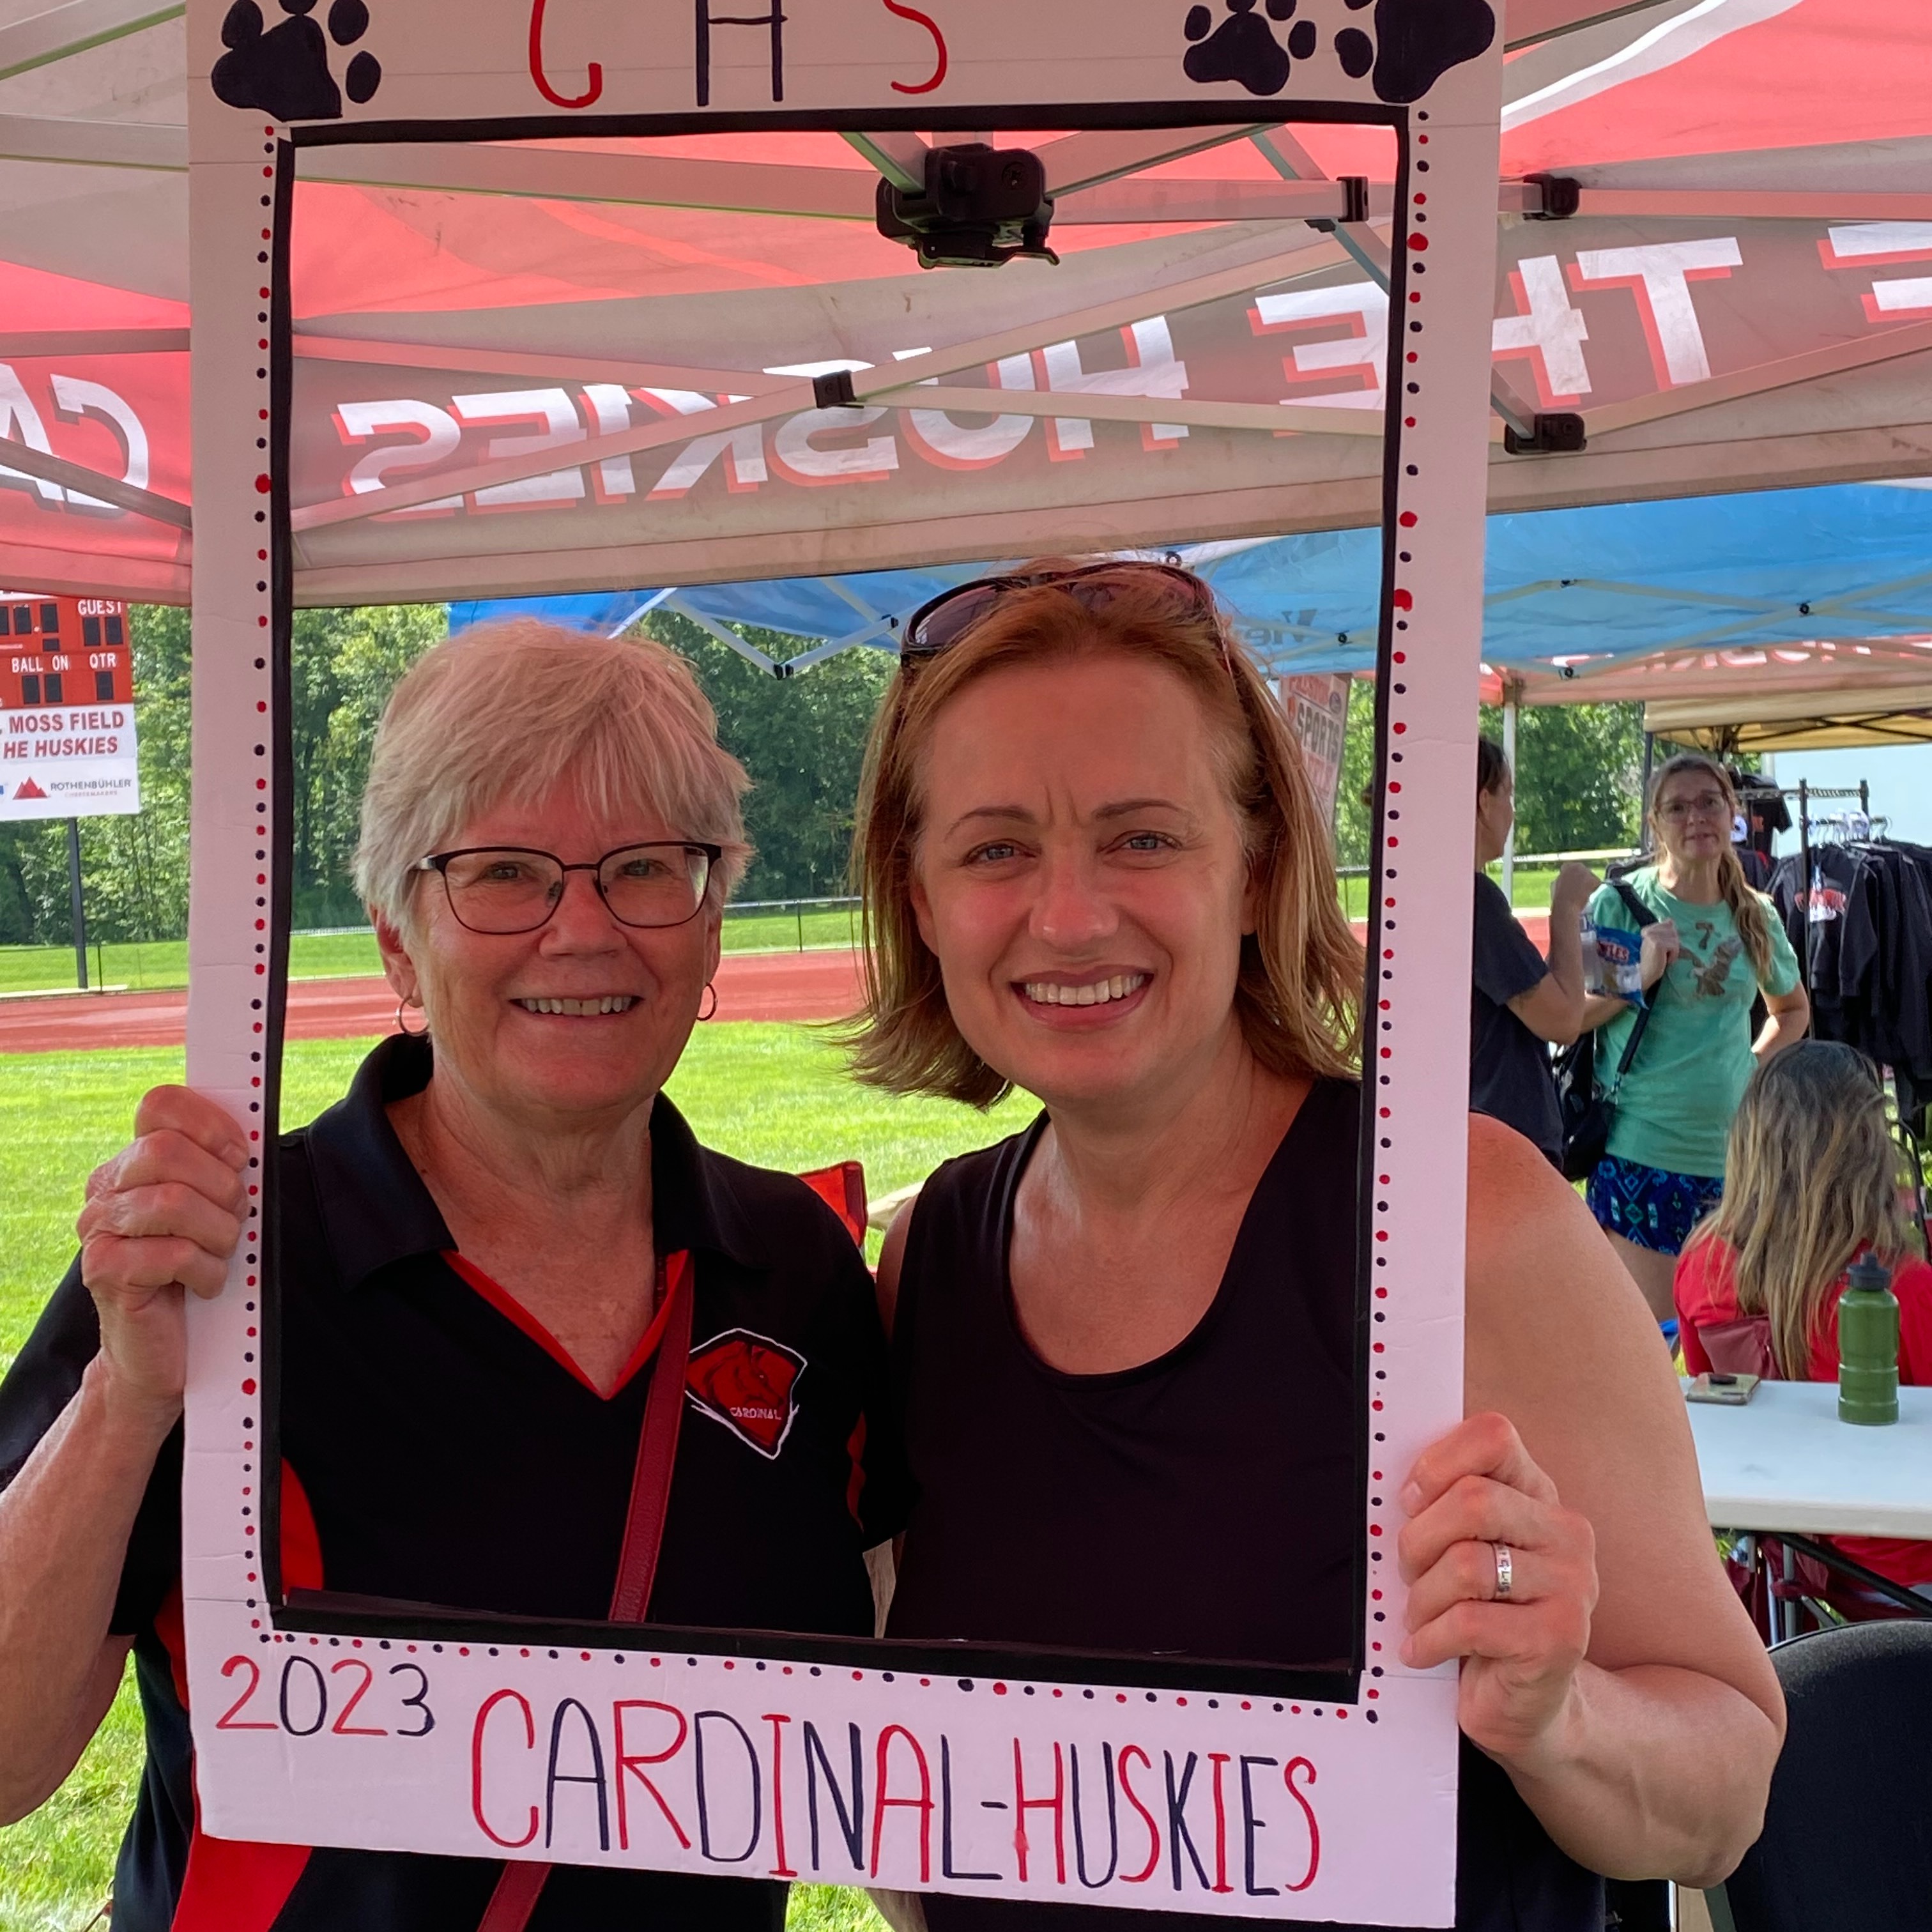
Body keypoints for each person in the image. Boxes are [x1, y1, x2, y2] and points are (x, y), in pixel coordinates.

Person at [848, 561, 1783, 1931]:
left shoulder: (1463, 1217)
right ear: (921, 901)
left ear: (1257, 870)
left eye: (1142, 838)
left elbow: (1726, 1794)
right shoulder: (925, 1266)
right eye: (993, 848)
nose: (1067, 914)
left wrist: (1559, 1714)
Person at [0, 622, 907, 1932]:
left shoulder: (798, 1274)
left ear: (713, 923)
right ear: (396, 944)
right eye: (503, 874)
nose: (583, 931)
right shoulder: (214, 1261)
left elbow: (890, 1734)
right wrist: (126, 1400)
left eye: (647, 868)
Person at [1676, 1040, 1932, 1597]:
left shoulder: (1703, 1267)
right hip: (1903, 1575)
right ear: (1870, 1149)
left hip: (1784, 1575)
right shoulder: (1902, 1288)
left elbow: (1713, 1409)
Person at [1580, 753, 1809, 1322]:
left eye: (1709, 803)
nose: (1696, 818)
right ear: (1656, 823)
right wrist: (1643, 973)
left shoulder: (1755, 914)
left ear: (1733, 812)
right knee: (1653, 1351)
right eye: (1677, 807)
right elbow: (1576, 1016)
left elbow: (1793, 1009)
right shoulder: (1618, 905)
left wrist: (1750, 1066)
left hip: (1735, 1163)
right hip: (1640, 1155)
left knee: (1730, 1349)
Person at [1470, 736, 1598, 1163]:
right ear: (1484, 801)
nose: (1512, 809)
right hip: (1507, 1139)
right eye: (1508, 793)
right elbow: (1563, 1019)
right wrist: (1566, 907)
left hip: (1486, 1133)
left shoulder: (1447, 895)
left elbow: (1531, 999)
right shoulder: (1474, 900)